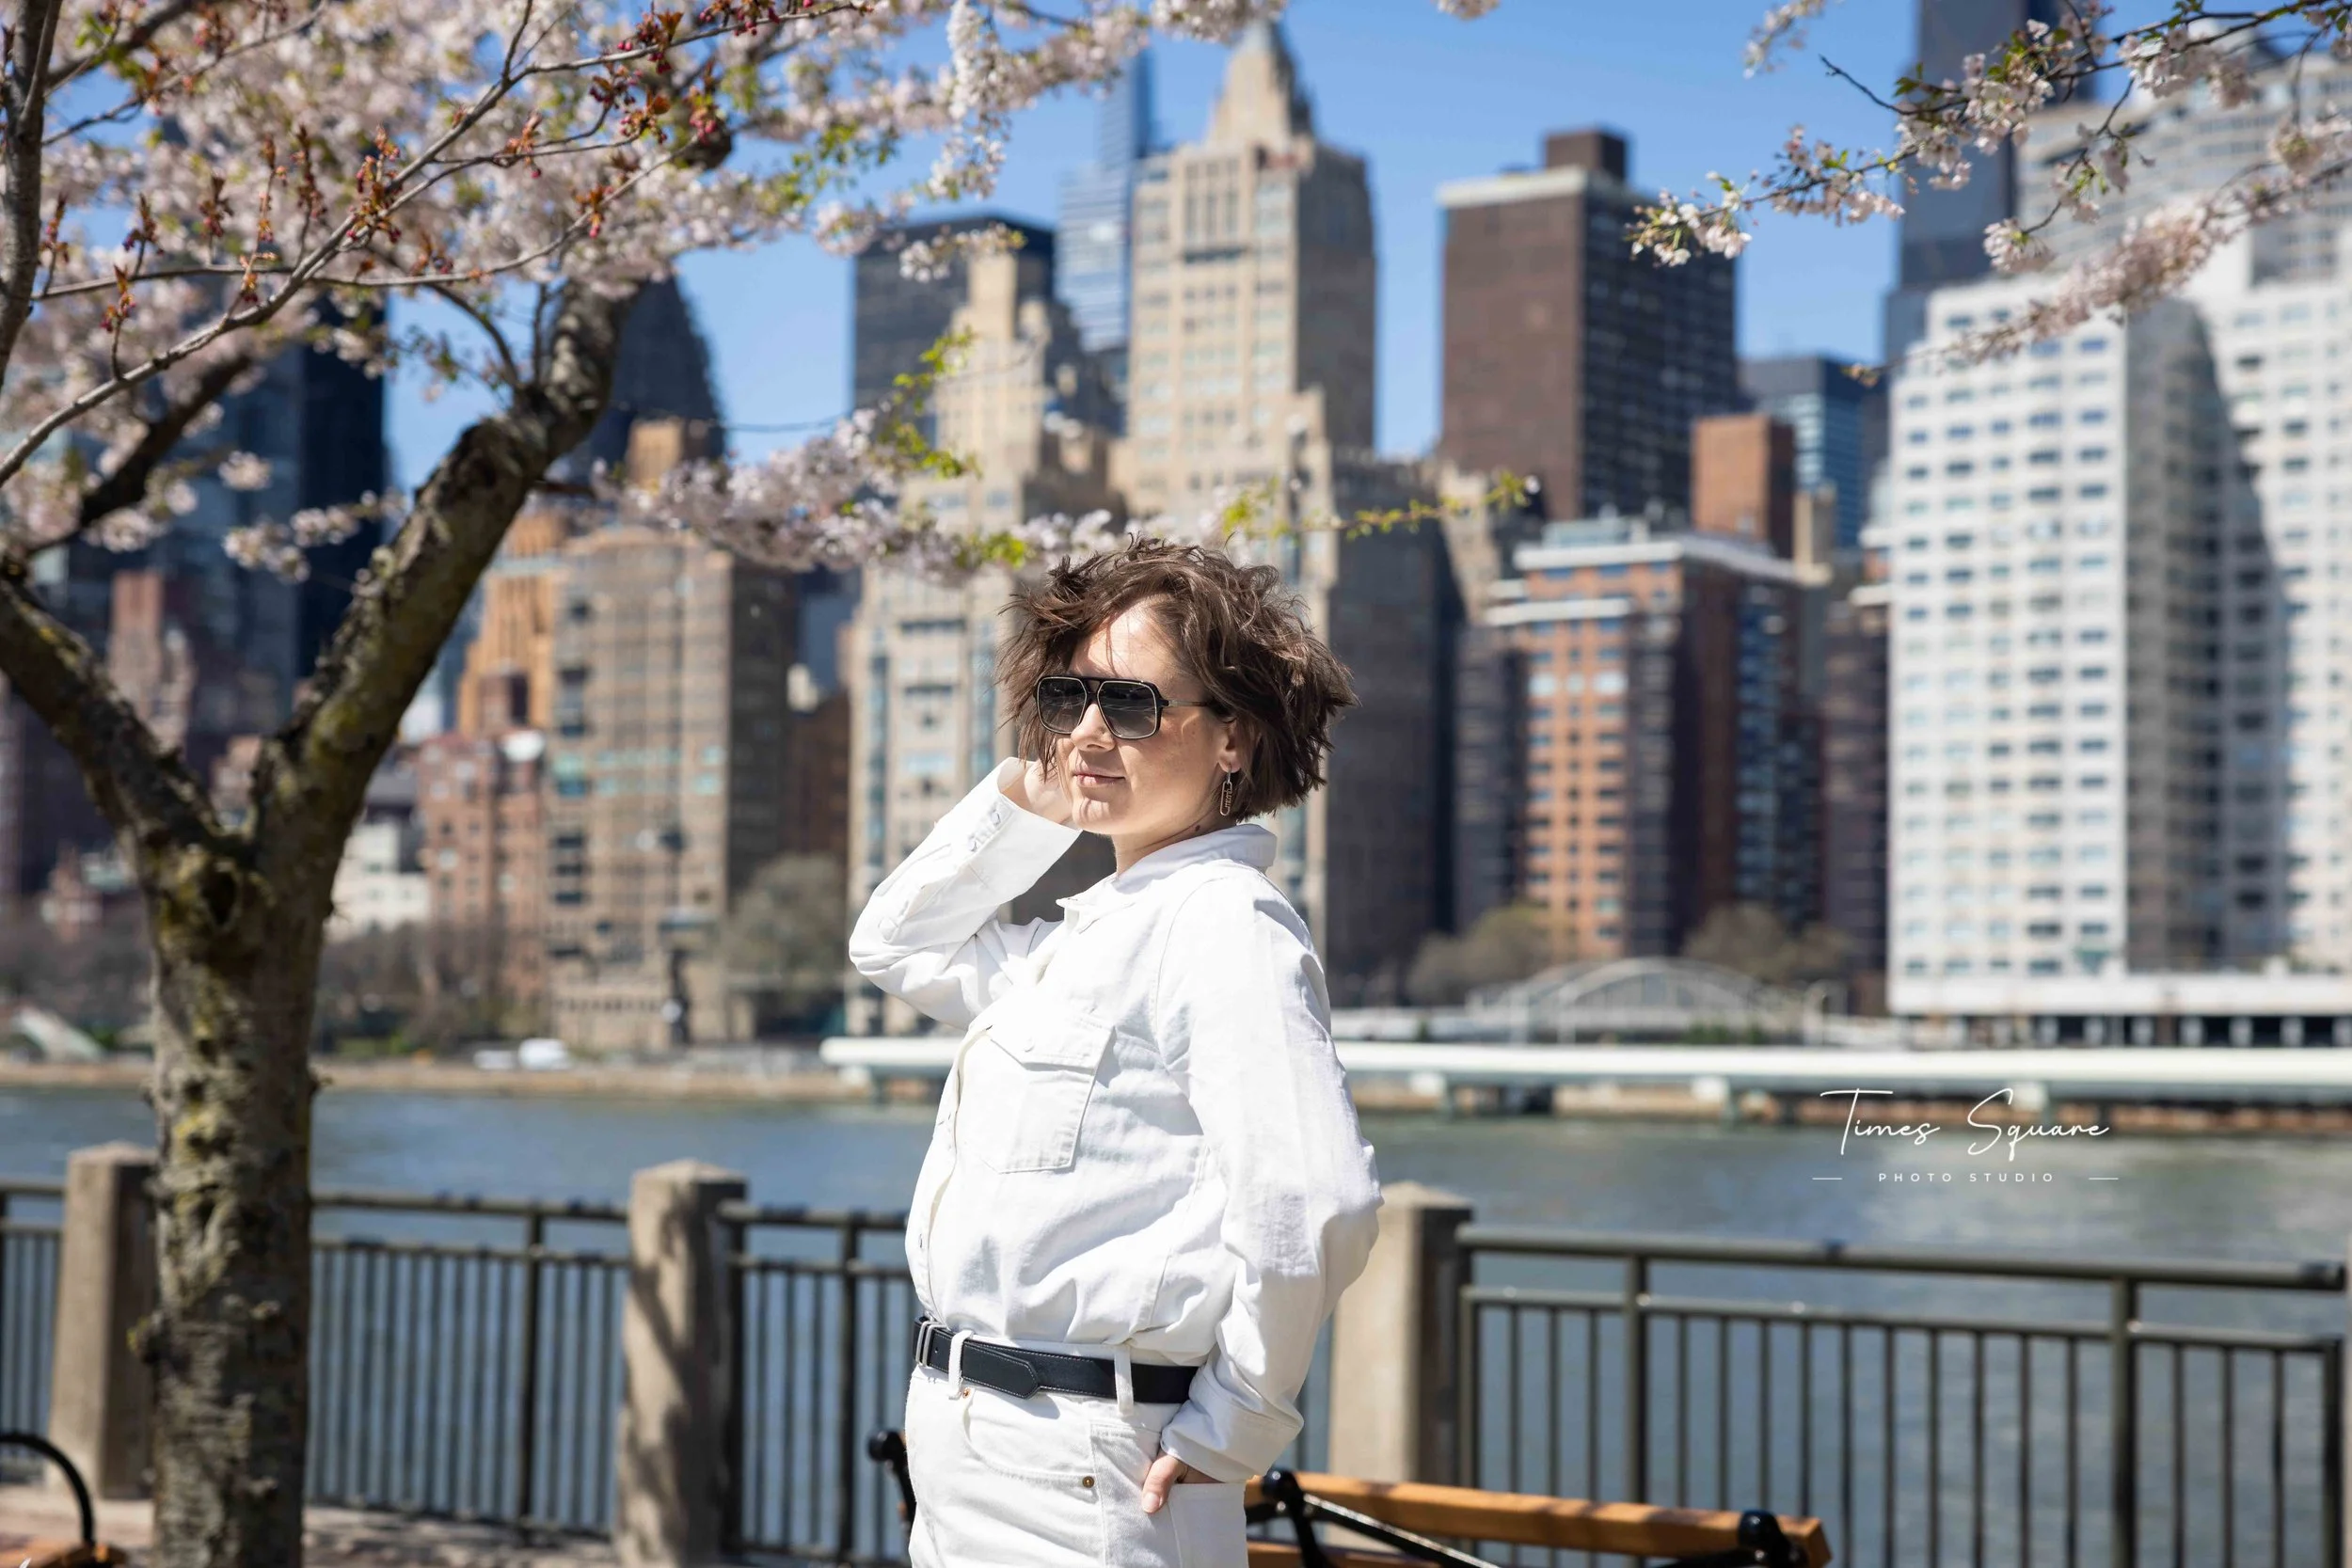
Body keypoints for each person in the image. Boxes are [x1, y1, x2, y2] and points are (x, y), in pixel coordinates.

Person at [849, 537, 1385, 1567]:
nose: (1091, 731)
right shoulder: (1080, 935)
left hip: (1095, 1468)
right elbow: (893, 943)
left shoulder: (1223, 921)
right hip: (964, 1447)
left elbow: (1314, 1203)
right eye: (1068, 698)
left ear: (1233, 738)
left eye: (1133, 705)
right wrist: (1027, 802)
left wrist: (1235, 1423)